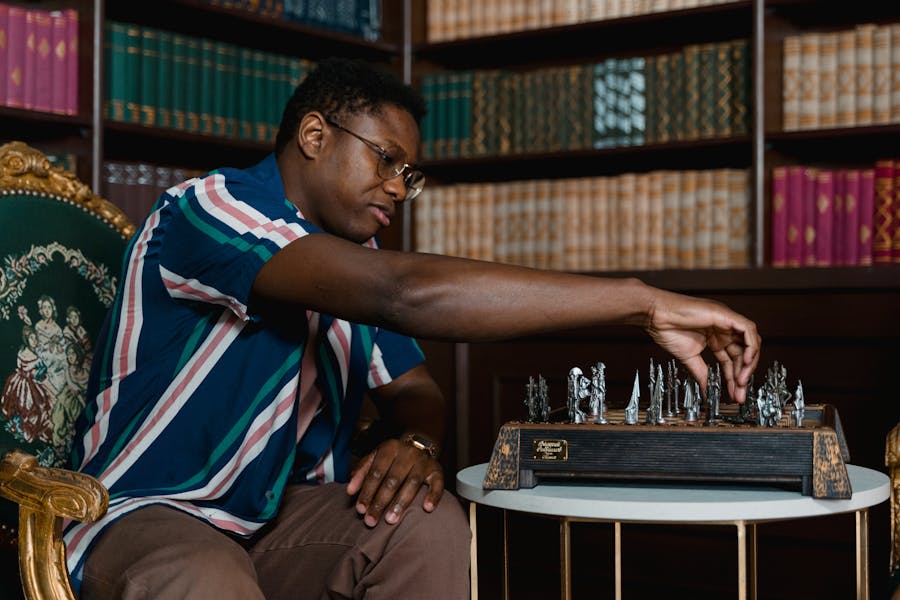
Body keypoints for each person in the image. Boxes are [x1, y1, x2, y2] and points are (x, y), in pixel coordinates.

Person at [66, 57, 761, 600]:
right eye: (385, 159)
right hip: (143, 512)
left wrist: (417, 441)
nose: (399, 187)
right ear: (314, 136)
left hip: (275, 520)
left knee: (424, 523)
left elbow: (415, 390)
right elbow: (403, 294)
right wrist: (641, 302)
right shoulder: (210, 208)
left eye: (409, 173)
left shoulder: (353, 257)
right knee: (205, 576)